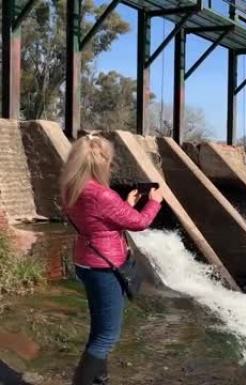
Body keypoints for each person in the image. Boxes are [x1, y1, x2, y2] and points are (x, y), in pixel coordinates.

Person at [59, 135, 164, 385]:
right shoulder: (101, 194)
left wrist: (125, 204)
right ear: (101, 162)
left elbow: (99, 220)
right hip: (106, 266)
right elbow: (139, 222)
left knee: (99, 330)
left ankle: (99, 380)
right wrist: (154, 203)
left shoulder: (72, 187)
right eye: (109, 160)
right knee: (107, 336)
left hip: (86, 260)